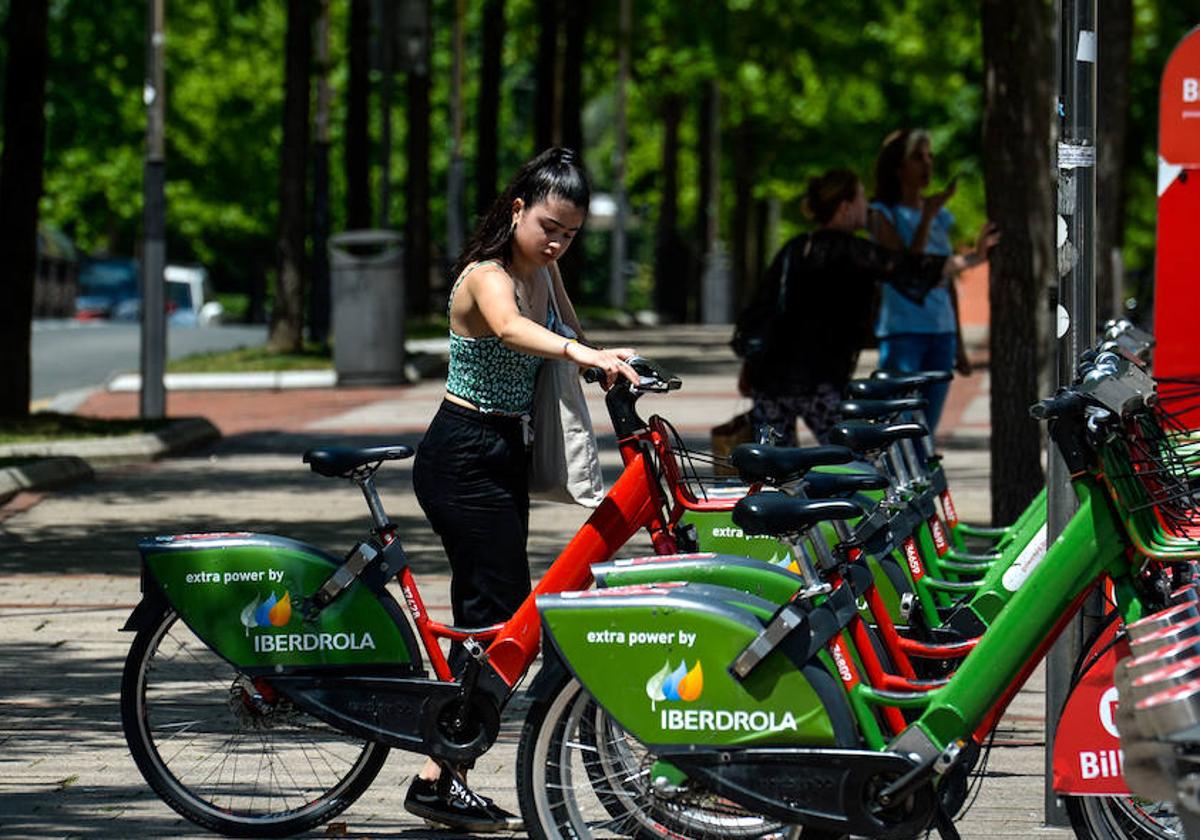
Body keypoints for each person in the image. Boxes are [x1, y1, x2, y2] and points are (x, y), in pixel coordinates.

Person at [405, 147, 638, 831]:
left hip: (502, 453)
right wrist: (579, 353)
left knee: (499, 614)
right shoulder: (487, 276)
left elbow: (569, 331)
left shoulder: (545, 269)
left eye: (570, 232)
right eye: (547, 225)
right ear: (516, 210)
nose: (557, 240)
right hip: (462, 453)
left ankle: (446, 766)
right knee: (498, 617)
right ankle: (437, 773)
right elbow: (512, 329)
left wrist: (609, 359)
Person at [739, 169, 997, 446]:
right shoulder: (851, 250)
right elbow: (909, 268)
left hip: (772, 381)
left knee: (778, 472)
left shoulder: (795, 248)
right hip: (820, 382)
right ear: (845, 207)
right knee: (854, 468)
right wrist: (975, 258)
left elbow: (763, 309)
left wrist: (750, 366)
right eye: (862, 198)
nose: (868, 206)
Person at [869, 128, 996, 434]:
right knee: (900, 425)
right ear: (898, 167)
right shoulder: (882, 214)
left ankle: (924, 481)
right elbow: (909, 266)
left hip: (942, 331)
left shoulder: (940, 216)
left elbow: (945, 274)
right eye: (917, 157)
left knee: (928, 427)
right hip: (903, 333)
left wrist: (960, 346)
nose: (927, 165)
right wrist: (925, 217)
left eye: (929, 157)